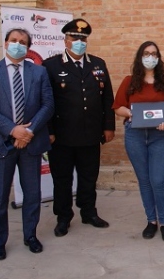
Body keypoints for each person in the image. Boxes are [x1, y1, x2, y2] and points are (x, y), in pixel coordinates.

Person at [0, 28, 54, 260]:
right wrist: (13, 130)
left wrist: (28, 131)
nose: (18, 45)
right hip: (1, 143)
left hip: (31, 142)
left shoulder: (39, 72)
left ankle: (30, 235)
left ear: (28, 48)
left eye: (23, 42)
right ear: (6, 43)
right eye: (14, 41)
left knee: (32, 193)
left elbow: (48, 105)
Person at [43, 18, 116, 237]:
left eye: (83, 38)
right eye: (75, 38)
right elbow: (45, 101)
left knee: (88, 177)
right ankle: (63, 217)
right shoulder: (51, 66)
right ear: (65, 40)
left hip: (91, 134)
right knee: (62, 179)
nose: (79, 42)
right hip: (62, 137)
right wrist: (49, 131)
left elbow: (107, 98)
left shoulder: (98, 64)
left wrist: (108, 126)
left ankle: (88, 212)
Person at [113, 41, 164, 242]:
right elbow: (118, 107)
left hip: (160, 136)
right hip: (134, 135)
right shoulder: (129, 81)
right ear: (139, 57)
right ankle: (151, 221)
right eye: (146, 53)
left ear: (159, 57)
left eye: (154, 53)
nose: (150, 57)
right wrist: (130, 113)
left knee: (158, 180)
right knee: (144, 181)